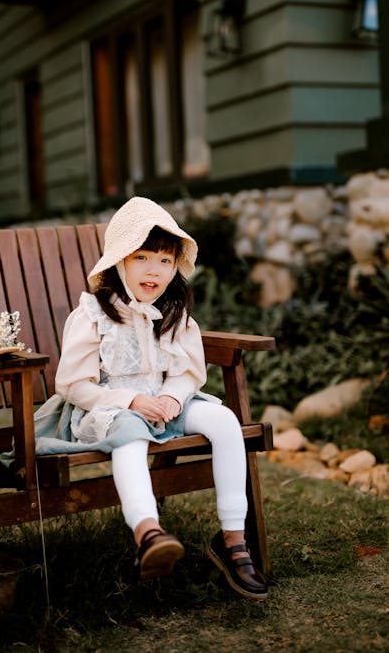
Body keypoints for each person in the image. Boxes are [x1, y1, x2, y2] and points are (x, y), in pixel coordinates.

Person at [32, 197, 268, 599]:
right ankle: (149, 533)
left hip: (164, 403)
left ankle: (233, 541)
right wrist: (130, 402)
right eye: (142, 257)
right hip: (110, 407)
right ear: (120, 261)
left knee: (226, 422)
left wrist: (175, 399)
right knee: (131, 436)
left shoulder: (174, 313)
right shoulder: (93, 315)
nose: (153, 270)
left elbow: (187, 374)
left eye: (164, 260)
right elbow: (73, 384)